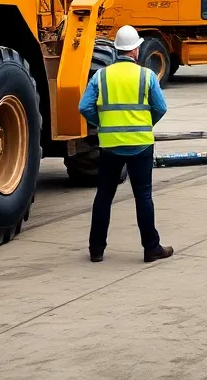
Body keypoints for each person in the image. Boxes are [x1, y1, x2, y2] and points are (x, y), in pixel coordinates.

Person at [78, 25, 175, 264]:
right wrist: (145, 124)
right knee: (143, 196)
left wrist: (102, 123)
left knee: (104, 196)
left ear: (116, 49)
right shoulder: (147, 76)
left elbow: (84, 107)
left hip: (110, 145)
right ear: (136, 50)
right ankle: (151, 248)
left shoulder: (101, 76)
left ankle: (96, 249)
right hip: (141, 144)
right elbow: (161, 108)